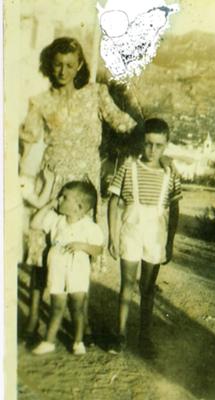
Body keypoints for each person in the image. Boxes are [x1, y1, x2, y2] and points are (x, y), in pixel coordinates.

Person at [19, 37, 136, 342]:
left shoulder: (96, 94)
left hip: (84, 189)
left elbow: (124, 123)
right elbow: (25, 141)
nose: (63, 70)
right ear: (50, 63)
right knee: (42, 250)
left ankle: (79, 321)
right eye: (58, 63)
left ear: (80, 65)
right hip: (53, 184)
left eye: (70, 64)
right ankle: (33, 319)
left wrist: (148, 139)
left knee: (78, 252)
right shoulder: (41, 103)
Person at [108, 118, 181, 357]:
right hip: (131, 231)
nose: (152, 150)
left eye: (159, 145)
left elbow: (175, 208)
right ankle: (119, 334)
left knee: (148, 288)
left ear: (166, 145)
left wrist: (170, 242)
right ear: (142, 142)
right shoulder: (129, 167)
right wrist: (112, 235)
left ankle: (144, 338)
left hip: (156, 235)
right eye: (148, 143)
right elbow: (113, 202)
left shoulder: (171, 172)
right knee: (127, 284)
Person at [31, 181, 103, 355]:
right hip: (57, 269)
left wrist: (82, 246)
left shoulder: (89, 227)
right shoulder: (56, 220)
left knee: (77, 307)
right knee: (57, 306)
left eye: (64, 197)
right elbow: (35, 223)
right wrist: (48, 206)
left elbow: (98, 249)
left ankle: (78, 341)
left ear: (79, 207)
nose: (59, 199)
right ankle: (49, 341)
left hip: (77, 270)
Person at [19, 165, 56, 345]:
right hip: (44, 179)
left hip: (73, 173)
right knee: (39, 258)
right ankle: (33, 318)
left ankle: (80, 321)